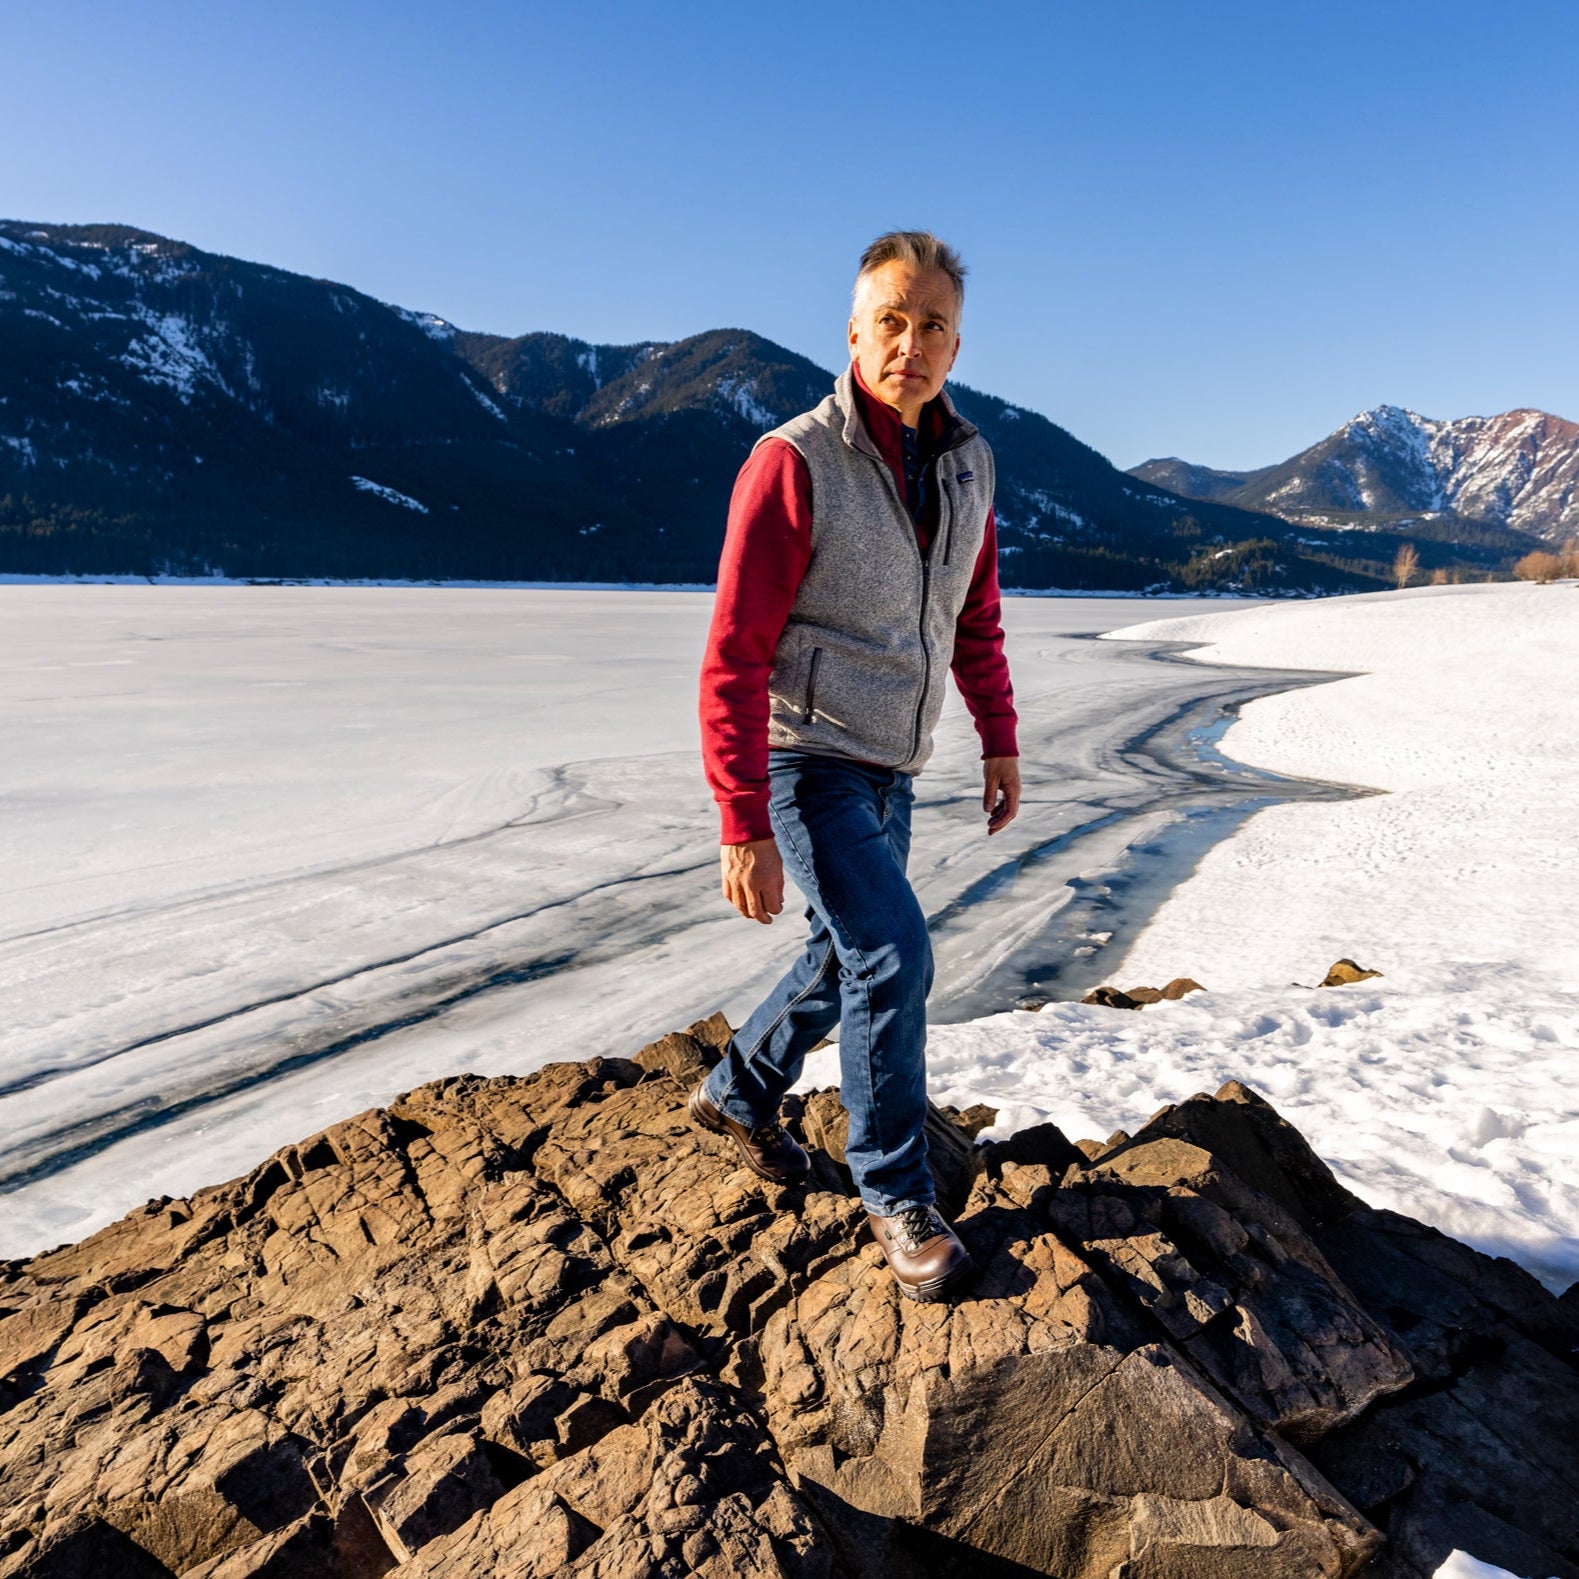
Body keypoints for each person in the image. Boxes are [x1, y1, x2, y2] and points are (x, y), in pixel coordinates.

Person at [692, 230, 1020, 1303]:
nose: (909, 342)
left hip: (893, 765)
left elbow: (974, 617)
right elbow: (735, 652)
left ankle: (738, 1091)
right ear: (852, 333)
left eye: (931, 325)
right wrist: (742, 820)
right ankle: (895, 1193)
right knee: (892, 955)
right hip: (805, 758)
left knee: (846, 958)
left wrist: (999, 736)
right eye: (891, 320)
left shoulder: (966, 465)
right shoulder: (795, 461)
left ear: (955, 347)